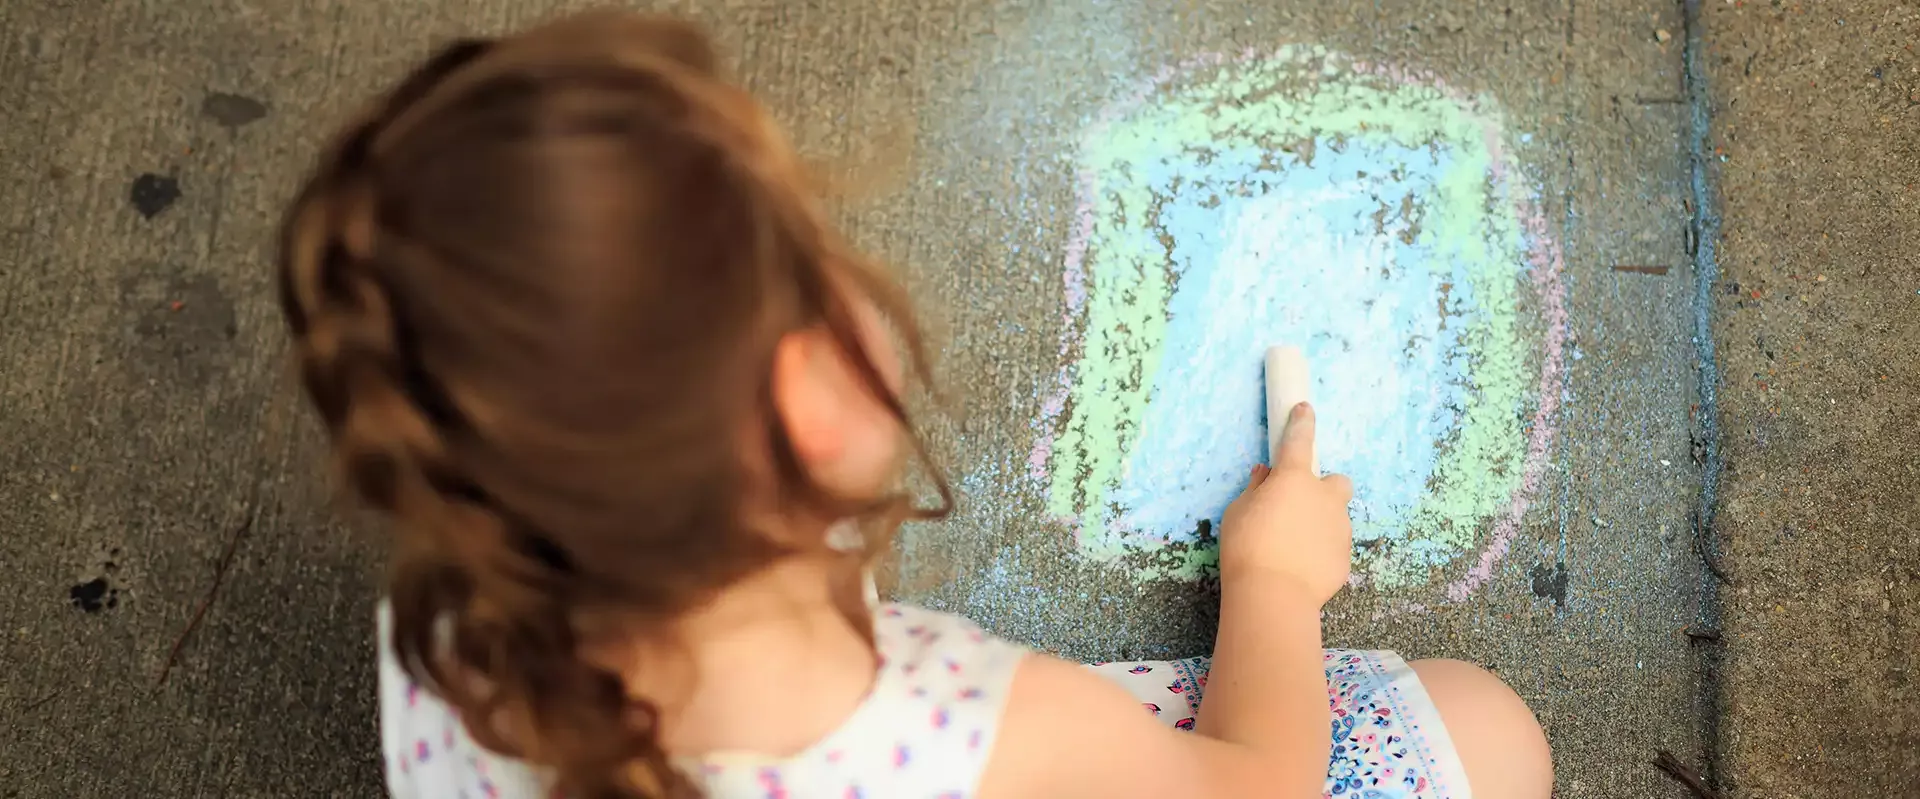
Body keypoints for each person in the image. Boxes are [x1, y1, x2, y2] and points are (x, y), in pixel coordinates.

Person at [274, 10, 1553, 799]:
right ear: (812, 400)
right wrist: (1275, 586)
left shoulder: (449, 629)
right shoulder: (955, 733)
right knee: (1487, 739)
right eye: (811, 250)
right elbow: (1256, 787)